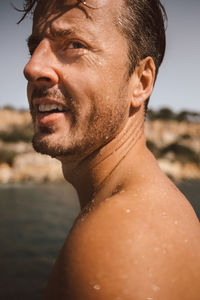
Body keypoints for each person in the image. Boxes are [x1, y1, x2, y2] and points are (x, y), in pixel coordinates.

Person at [20, 0, 200, 298]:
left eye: (74, 44)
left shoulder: (122, 241)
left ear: (141, 81)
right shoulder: (149, 211)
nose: (32, 67)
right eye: (35, 46)